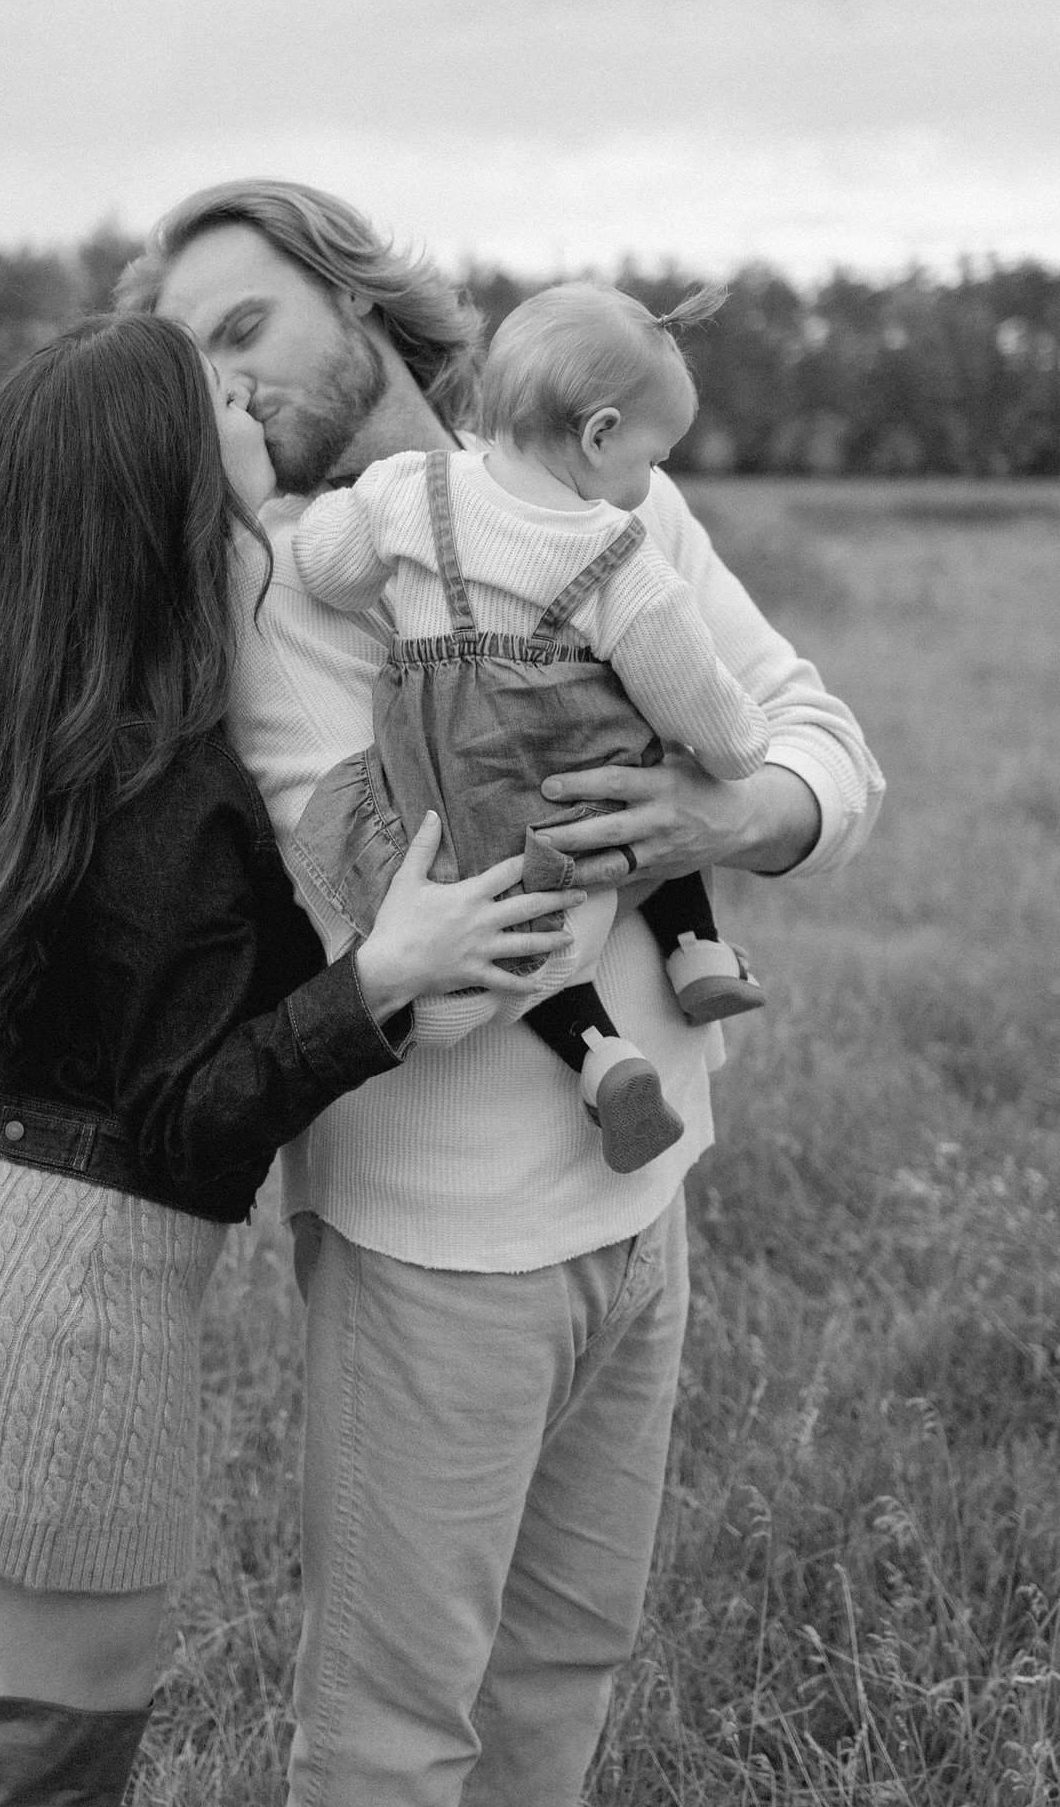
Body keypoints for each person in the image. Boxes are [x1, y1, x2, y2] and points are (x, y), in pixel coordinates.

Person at [119, 179, 885, 1807]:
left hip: (647, 1205)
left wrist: (726, 818)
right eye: (194, 365)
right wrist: (596, 821)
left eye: (246, 327)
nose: (228, 384)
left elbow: (820, 738)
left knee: (567, 1671)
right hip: (434, 1257)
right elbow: (406, 967)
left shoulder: (605, 485)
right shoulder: (274, 604)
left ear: (358, 295)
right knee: (397, 1735)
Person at [0, 311, 584, 1807]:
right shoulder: (165, 783)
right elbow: (188, 1126)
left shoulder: (43, 711)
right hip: (67, 1282)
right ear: (166, 484)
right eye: (221, 404)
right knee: (60, 1733)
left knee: (25, 1675)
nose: (251, 406)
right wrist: (381, 979)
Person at [288, 277, 773, 1174]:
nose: (653, 480)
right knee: (653, 770)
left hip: (456, 804)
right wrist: (744, 749)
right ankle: (696, 948)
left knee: (528, 933)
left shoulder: (409, 487)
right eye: (654, 458)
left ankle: (604, 1059)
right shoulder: (616, 557)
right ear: (600, 435)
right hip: (575, 794)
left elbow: (325, 570)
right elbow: (701, 705)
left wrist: (323, 509)